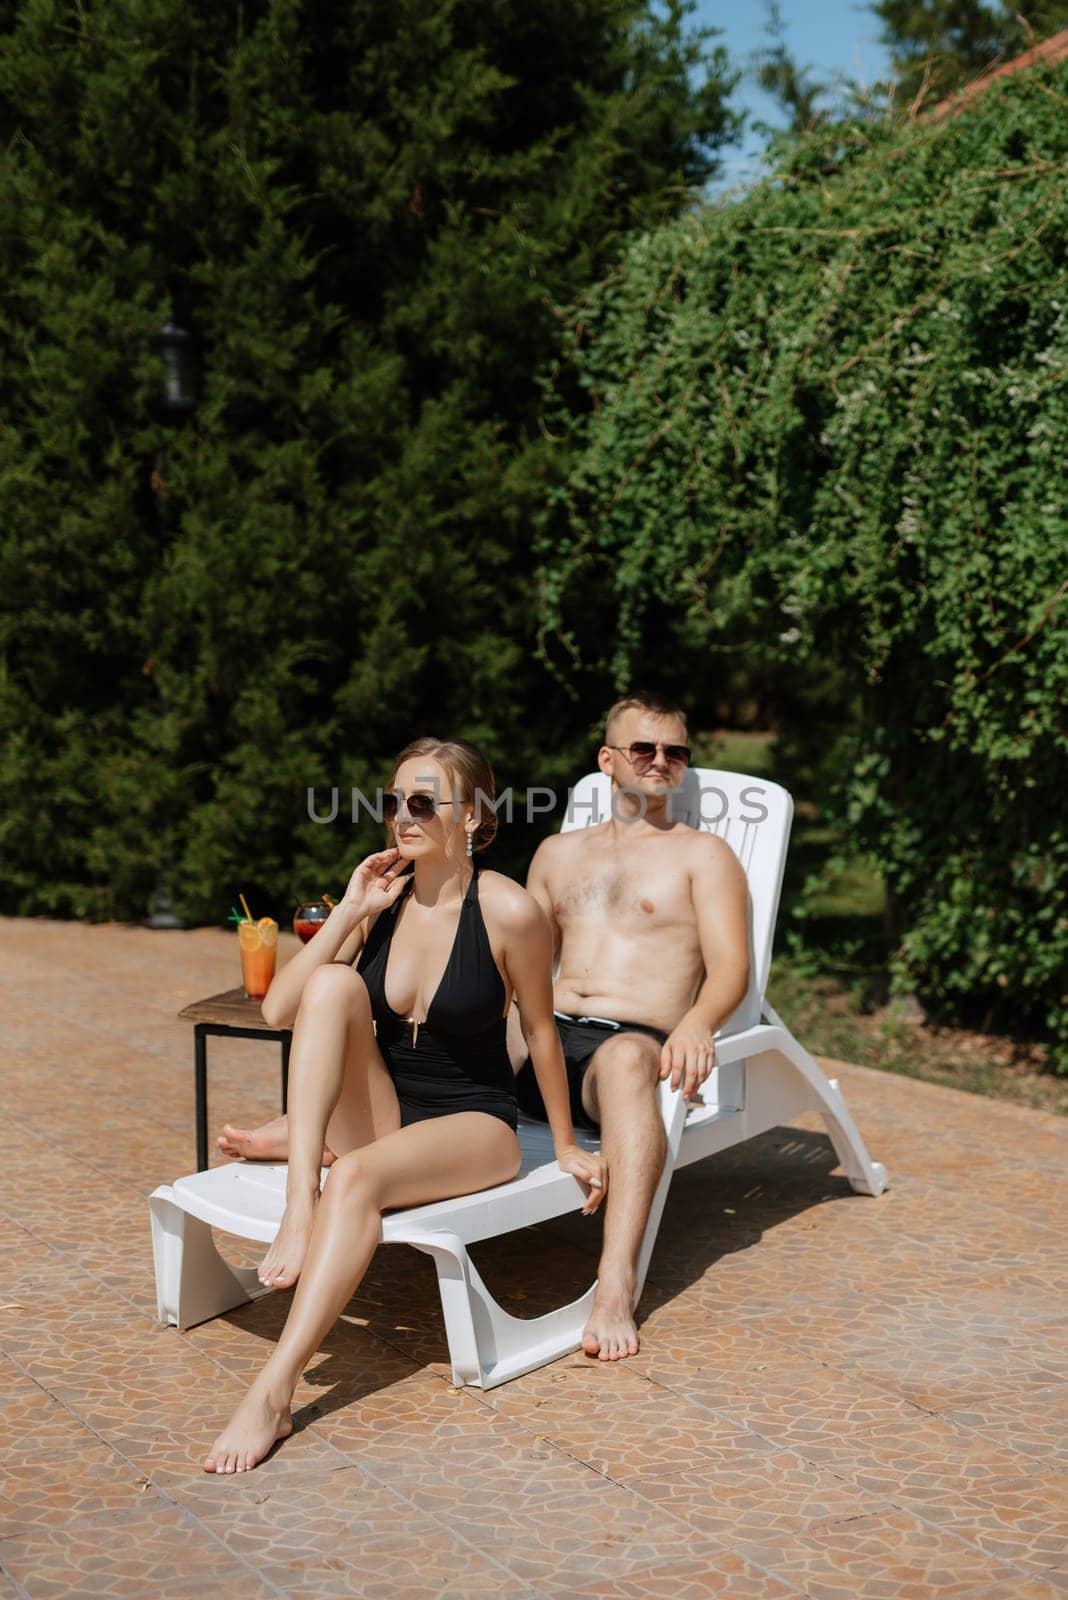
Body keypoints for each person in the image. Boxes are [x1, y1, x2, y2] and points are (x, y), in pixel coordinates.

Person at [219, 690, 750, 1364]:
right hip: (544, 1029)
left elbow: (732, 968)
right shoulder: (558, 856)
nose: (661, 762)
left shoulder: (705, 857)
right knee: (431, 1024)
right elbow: (513, 988)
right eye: (644, 748)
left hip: (633, 1036)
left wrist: (699, 1023)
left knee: (624, 1063)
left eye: (677, 752)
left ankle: (614, 1280)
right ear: (607, 760)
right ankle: (311, 1128)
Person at [203, 737, 605, 1475]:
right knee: (330, 986)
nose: (401, 817)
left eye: (422, 803)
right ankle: (302, 1201)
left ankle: (274, 1388)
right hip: (388, 1112)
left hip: (475, 1124)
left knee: (354, 1182)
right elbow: (281, 1011)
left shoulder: (509, 909)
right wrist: (352, 907)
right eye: (392, 802)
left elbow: (544, 1036)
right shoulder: (382, 895)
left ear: (474, 816)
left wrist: (567, 1144)